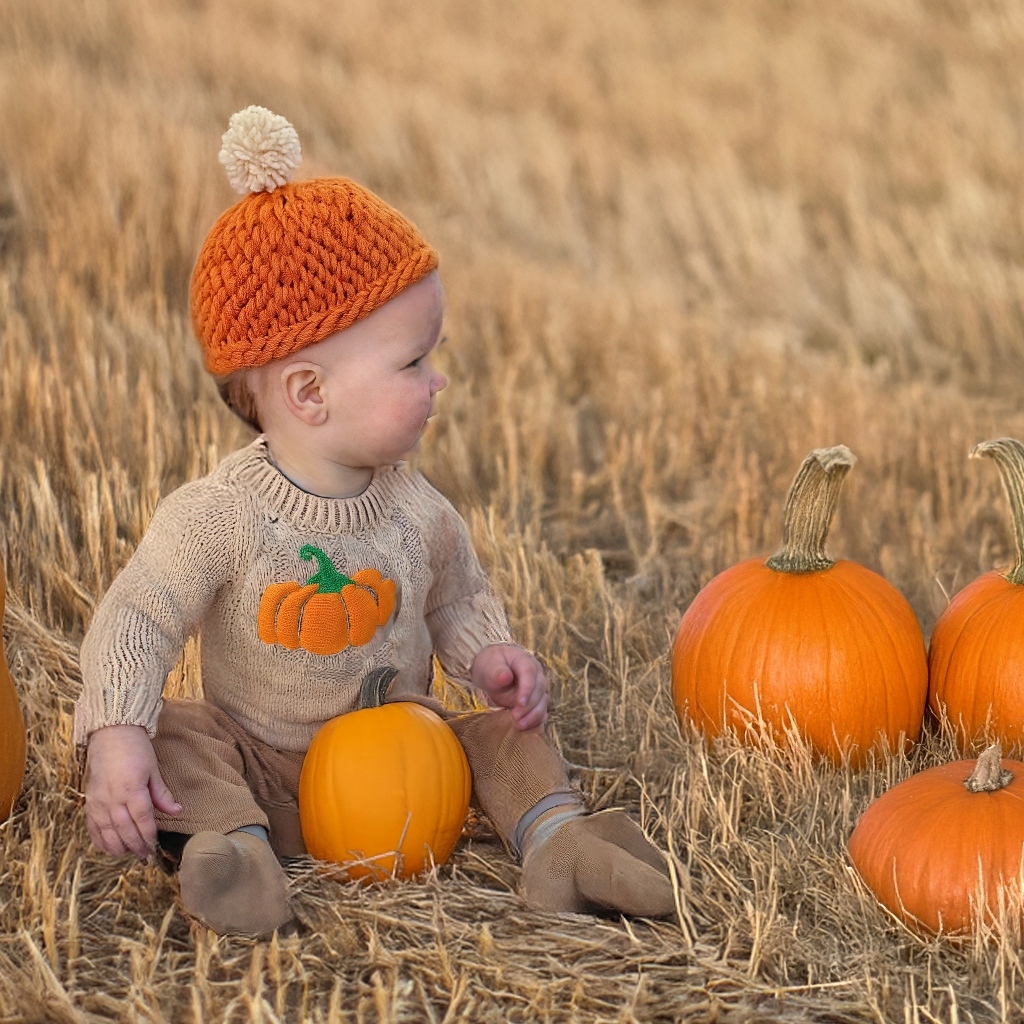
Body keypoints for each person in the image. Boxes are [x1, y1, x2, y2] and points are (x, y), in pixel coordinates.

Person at [75, 106, 676, 938]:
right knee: (174, 733)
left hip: (406, 766)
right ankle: (239, 850)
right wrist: (116, 735)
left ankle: (560, 843)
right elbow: (138, 616)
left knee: (506, 734)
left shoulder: (415, 509)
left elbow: (457, 597)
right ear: (310, 395)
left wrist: (491, 657)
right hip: (264, 767)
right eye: (414, 361)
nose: (439, 381)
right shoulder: (221, 515)